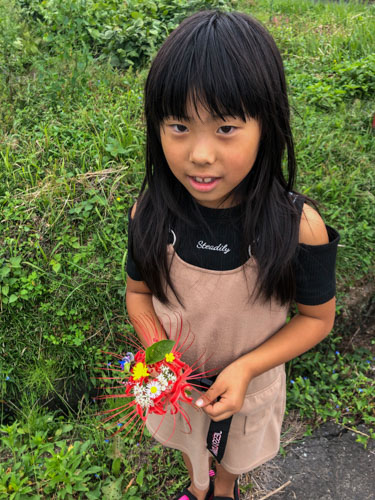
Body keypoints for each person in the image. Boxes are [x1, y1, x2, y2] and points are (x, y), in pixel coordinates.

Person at [126, 10, 339, 500]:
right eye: (178, 125)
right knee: (189, 441)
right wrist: (160, 357)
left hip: (253, 386)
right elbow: (138, 296)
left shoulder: (297, 226)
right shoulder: (151, 213)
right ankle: (198, 487)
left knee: (234, 454)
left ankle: (224, 489)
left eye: (225, 128)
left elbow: (316, 319)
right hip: (177, 384)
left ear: (266, 125)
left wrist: (245, 369)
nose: (200, 154)